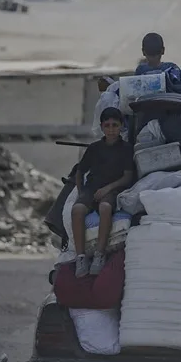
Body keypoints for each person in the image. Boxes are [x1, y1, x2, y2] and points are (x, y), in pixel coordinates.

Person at [70, 107, 134, 278]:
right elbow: (80, 171)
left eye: (115, 125)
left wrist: (108, 188)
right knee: (77, 210)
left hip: (112, 189)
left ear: (121, 126)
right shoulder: (94, 148)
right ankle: (81, 257)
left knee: (105, 208)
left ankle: (99, 254)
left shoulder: (126, 149)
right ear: (102, 127)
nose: (111, 129)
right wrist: (81, 192)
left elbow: (127, 177)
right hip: (91, 189)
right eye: (107, 125)